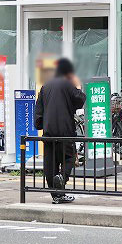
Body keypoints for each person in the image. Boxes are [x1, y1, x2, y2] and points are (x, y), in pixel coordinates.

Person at [34, 58, 85, 204]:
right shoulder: (67, 84)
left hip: (49, 132)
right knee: (69, 158)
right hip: (65, 131)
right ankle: (62, 177)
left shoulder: (45, 86)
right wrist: (78, 87)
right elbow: (80, 100)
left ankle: (56, 195)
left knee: (50, 164)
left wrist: (41, 124)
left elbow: (38, 112)